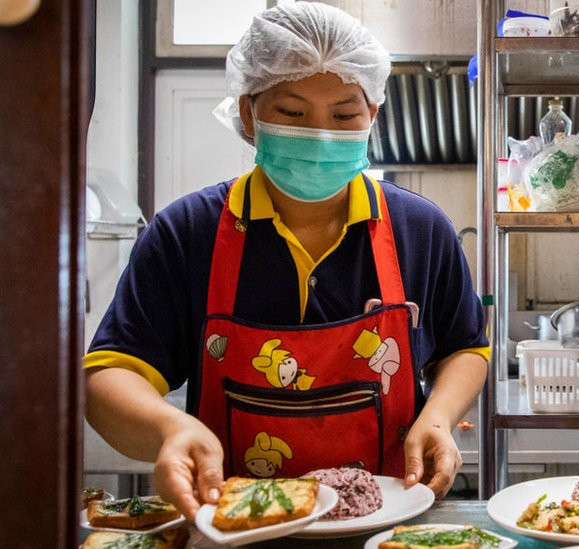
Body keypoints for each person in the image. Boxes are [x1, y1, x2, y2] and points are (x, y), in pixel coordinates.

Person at [84, 3, 488, 520]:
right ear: (249, 113)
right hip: (234, 523)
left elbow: (464, 348)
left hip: (390, 521)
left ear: (373, 116)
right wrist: (170, 429)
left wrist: (439, 417)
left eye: (344, 114)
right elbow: (109, 376)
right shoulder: (189, 231)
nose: (320, 134)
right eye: (293, 113)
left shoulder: (420, 229)